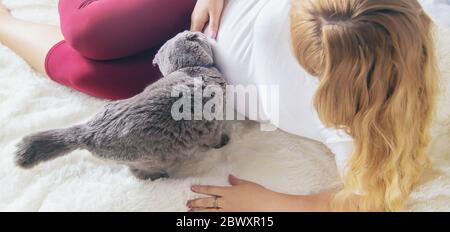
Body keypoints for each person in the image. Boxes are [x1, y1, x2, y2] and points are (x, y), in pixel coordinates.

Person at [0, 0, 438, 211]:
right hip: (197, 12)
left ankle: (5, 25)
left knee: (88, 75)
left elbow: (365, 199)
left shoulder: (354, 122)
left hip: (200, 77)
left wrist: (268, 200)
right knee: (90, 31)